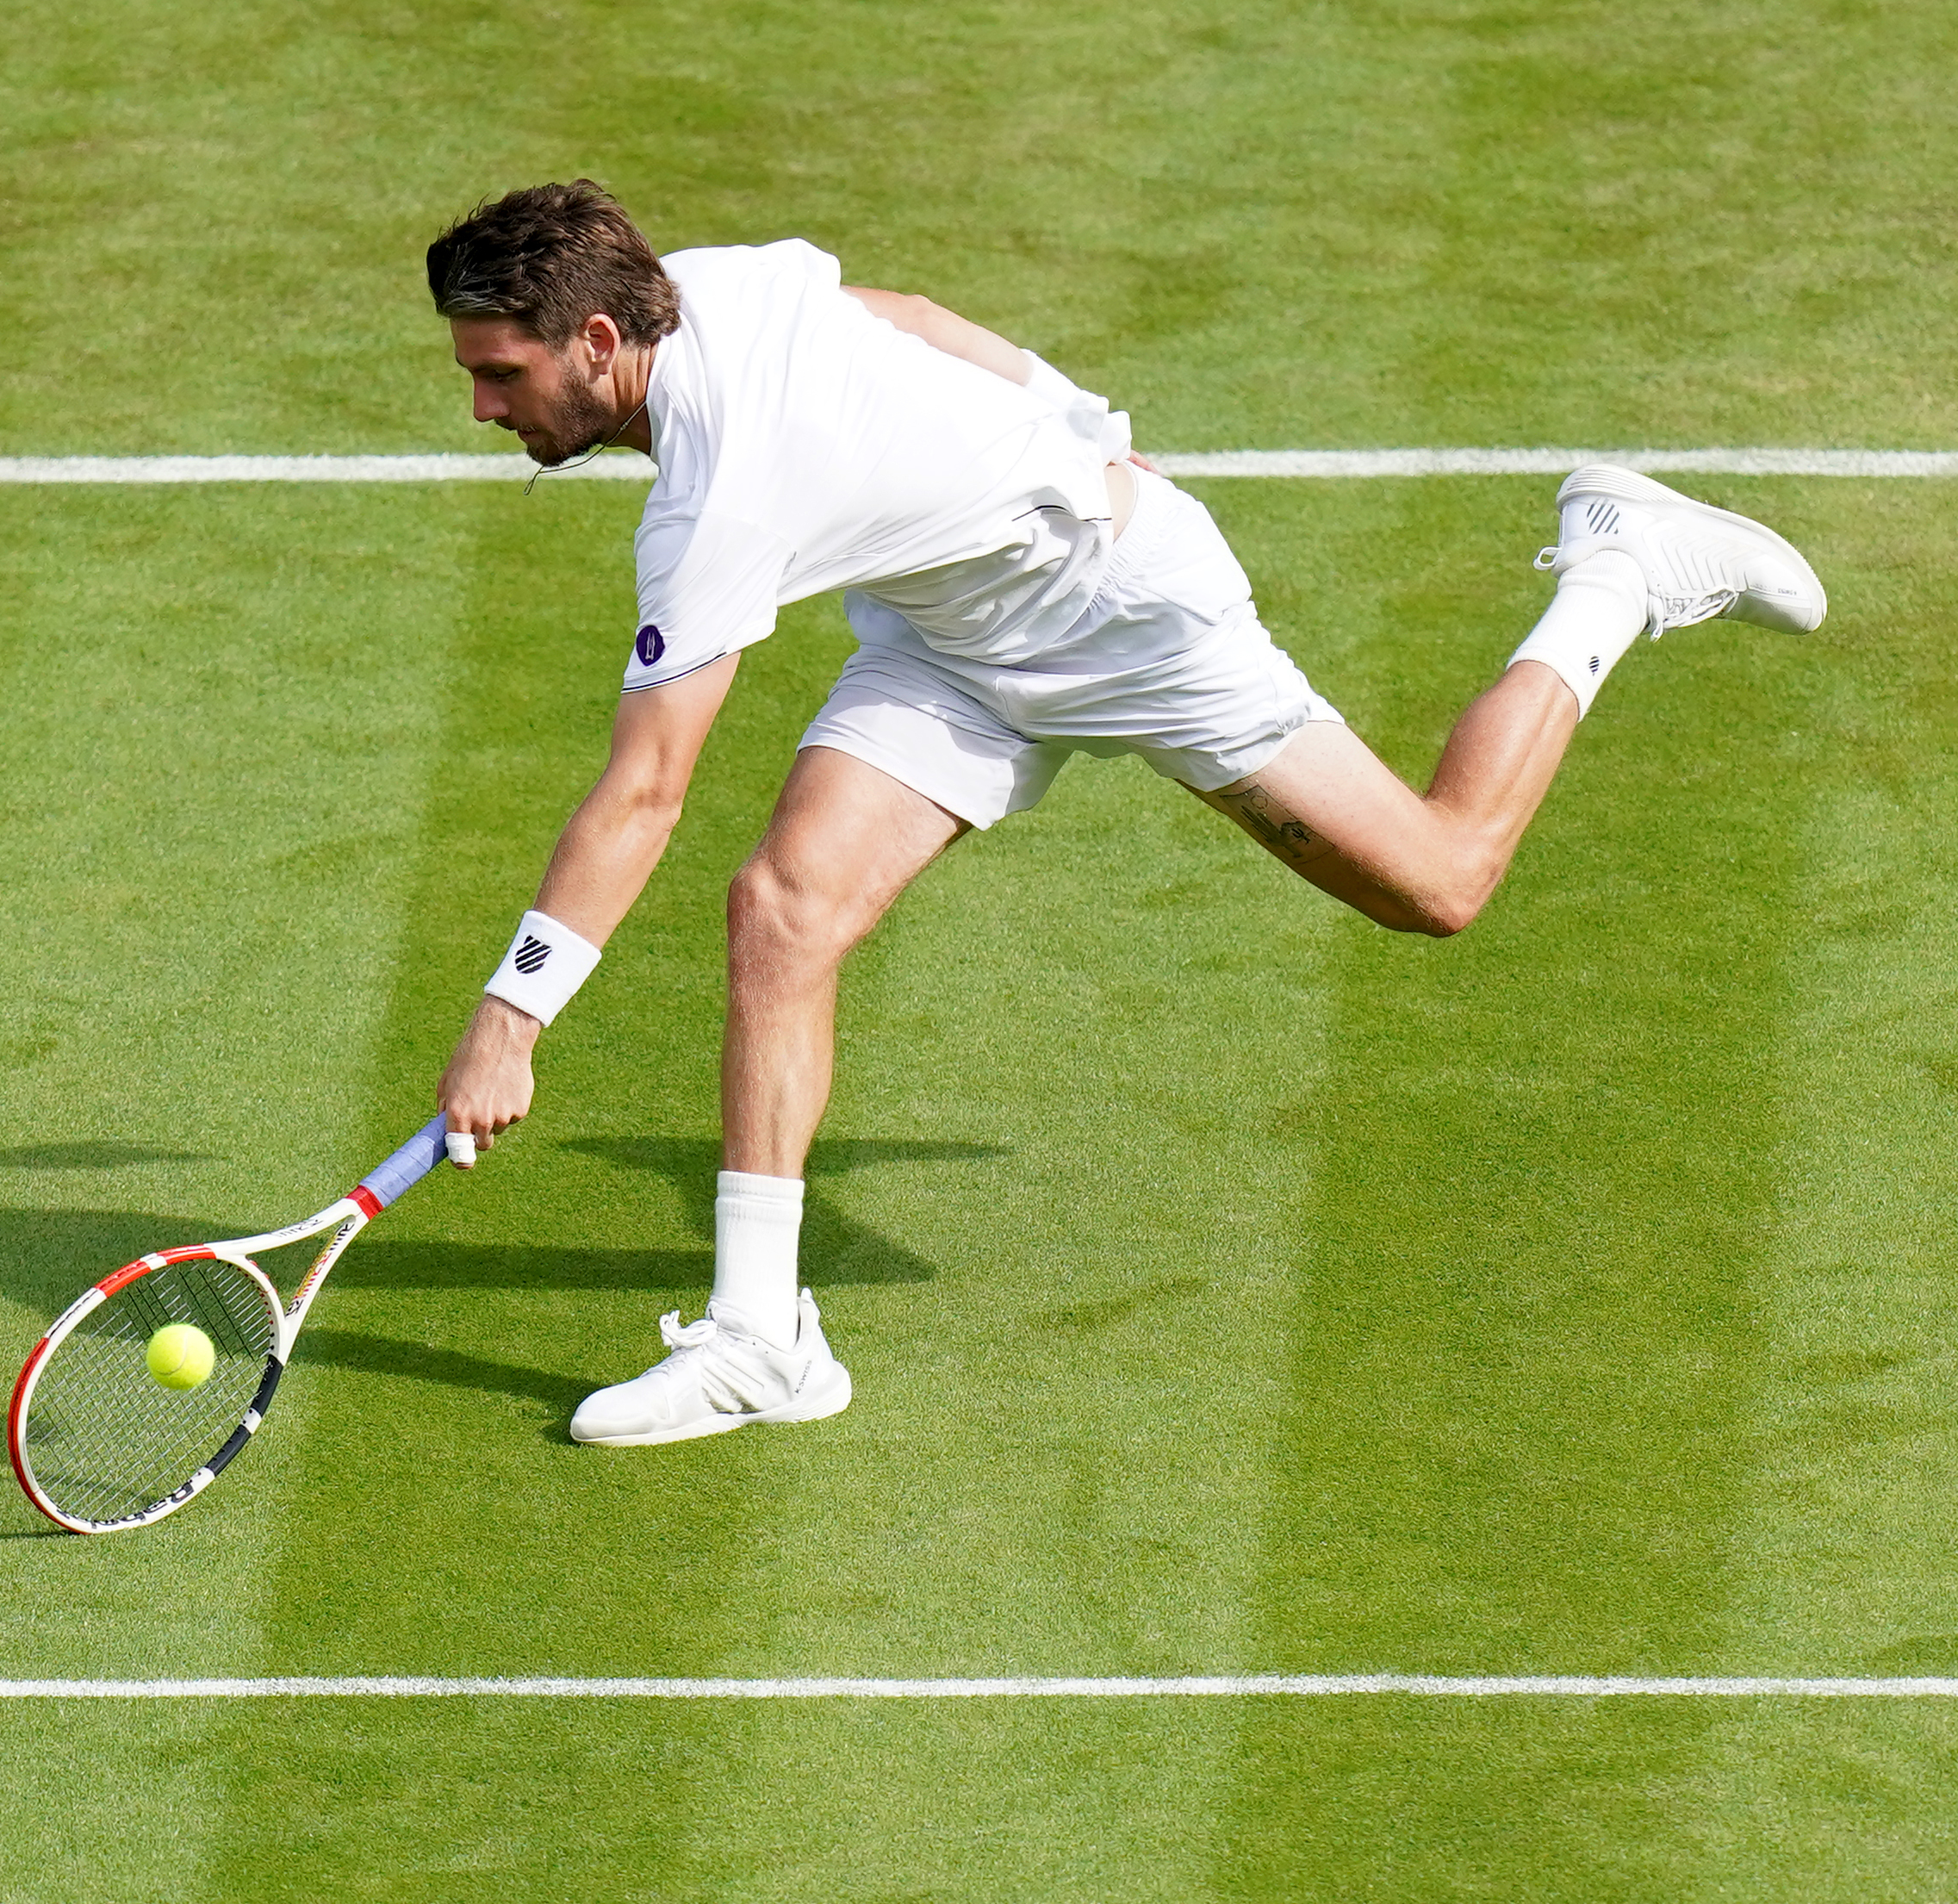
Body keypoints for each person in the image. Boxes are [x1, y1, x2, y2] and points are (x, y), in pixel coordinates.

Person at [422, 180, 1825, 1448]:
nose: (486, 408)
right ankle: (761, 1340)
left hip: (1122, 614)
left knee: (1441, 879)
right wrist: (1080, 418)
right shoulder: (701, 285)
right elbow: (904, 317)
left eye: (503, 375)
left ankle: (1618, 572)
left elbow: (646, 787)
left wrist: (513, 1014)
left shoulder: (713, 512)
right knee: (783, 909)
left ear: (601, 340)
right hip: (950, 641)